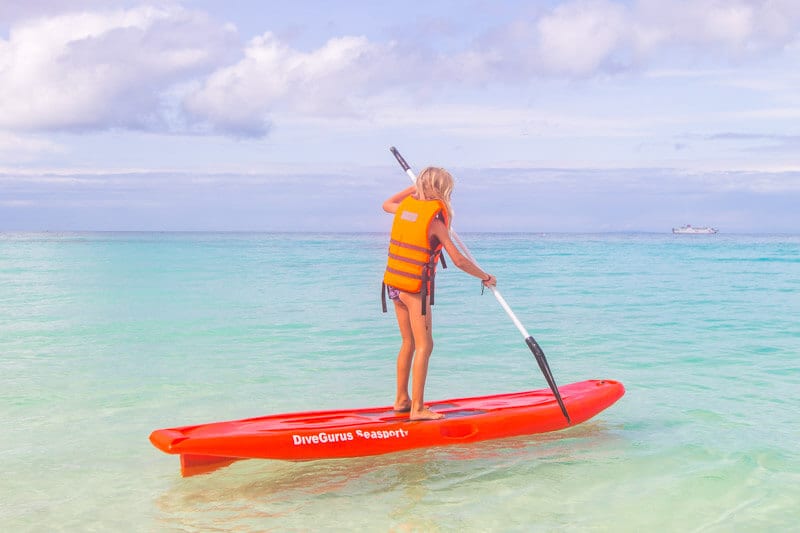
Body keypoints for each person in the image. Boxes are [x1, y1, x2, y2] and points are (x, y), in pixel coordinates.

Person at [381, 167, 497, 420]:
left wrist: (415, 188)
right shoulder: (435, 222)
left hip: (394, 284)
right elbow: (459, 260)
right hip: (414, 290)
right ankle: (418, 409)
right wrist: (485, 277)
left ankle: (402, 399)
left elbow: (386, 203)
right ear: (444, 191)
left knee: (408, 342)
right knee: (425, 344)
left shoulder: (405, 209)